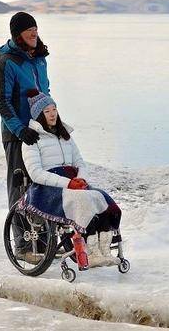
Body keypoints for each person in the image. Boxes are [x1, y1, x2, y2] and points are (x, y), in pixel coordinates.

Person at [19, 89, 122, 267]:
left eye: (54, 110)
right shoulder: (32, 140)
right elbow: (36, 173)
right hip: (48, 187)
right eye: (47, 111)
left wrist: (81, 179)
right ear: (39, 116)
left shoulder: (65, 135)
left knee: (102, 198)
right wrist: (68, 183)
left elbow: (80, 162)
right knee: (84, 201)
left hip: (74, 183)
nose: (52, 114)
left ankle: (103, 251)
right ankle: (91, 253)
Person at [0, 12, 50, 258]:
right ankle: (24, 247)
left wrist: (53, 123)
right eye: (29, 30)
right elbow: (2, 103)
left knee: (44, 185)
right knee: (20, 188)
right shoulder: (6, 63)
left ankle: (44, 243)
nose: (34, 32)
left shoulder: (38, 60)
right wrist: (19, 129)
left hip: (41, 131)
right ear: (18, 34)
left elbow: (44, 93)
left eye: (35, 28)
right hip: (17, 135)